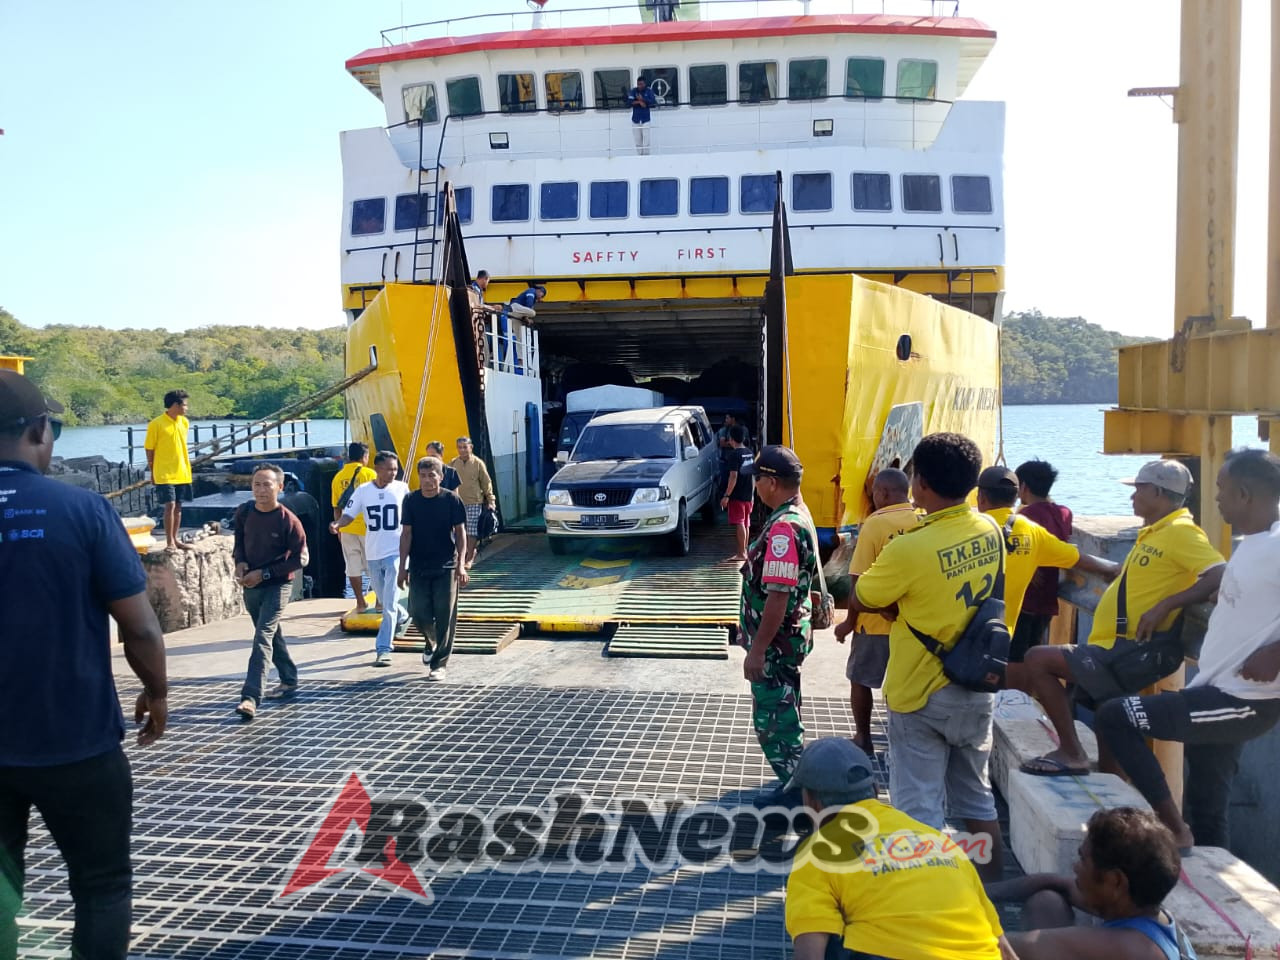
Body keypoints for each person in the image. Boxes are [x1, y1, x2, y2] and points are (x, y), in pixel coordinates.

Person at [0, 370, 168, 959]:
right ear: (40, 431)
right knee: (101, 887)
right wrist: (157, 693)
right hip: (77, 743)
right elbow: (141, 627)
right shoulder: (84, 510)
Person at [1094, 449, 1280, 850]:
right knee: (1208, 804)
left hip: (1244, 699)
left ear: (1244, 494)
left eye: (1222, 489)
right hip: (1216, 689)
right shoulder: (1252, 544)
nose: (1215, 499)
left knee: (1116, 717)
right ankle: (1211, 877)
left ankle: (1170, 829)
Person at [847, 433, 1004, 880]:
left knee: (918, 808)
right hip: (978, 683)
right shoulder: (989, 529)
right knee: (976, 796)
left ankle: (921, 900)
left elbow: (863, 593)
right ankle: (994, 890)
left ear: (922, 484)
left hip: (920, 691)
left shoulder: (909, 547)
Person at [1018, 460, 1225, 777]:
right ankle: (1114, 787)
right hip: (1112, 644)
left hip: (1128, 647)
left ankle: (1071, 752)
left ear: (1157, 492)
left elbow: (1218, 572)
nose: (1132, 497)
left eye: (1138, 490)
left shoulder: (1182, 533)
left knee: (1038, 659)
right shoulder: (1156, 532)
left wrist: (1167, 605)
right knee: (1108, 717)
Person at [784, 738, 1014, 960]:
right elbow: (1002, 945)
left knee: (826, 928)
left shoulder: (818, 851)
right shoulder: (936, 839)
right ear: (875, 790)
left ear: (811, 803)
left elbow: (810, 947)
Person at [987, 807, 1196, 960]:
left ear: (1115, 880)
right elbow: (1054, 882)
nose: (1075, 867)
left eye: (1083, 859)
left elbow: (994, 945)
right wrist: (979, 891)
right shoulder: (1147, 913)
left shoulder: (1127, 948)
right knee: (1047, 901)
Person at [738, 446, 818, 805]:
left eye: (756, 480)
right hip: (786, 640)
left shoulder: (784, 528)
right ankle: (797, 784)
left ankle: (801, 794)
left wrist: (757, 651)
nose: (754, 487)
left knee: (775, 722)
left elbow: (778, 595)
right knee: (786, 709)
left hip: (775, 645)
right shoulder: (798, 513)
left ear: (770, 483)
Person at [976, 466, 1118, 662]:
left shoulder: (1018, 518)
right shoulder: (1058, 515)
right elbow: (1073, 555)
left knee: (1014, 660)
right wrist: (1112, 568)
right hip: (1045, 600)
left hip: (1018, 605)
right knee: (1028, 658)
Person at [833, 468, 919, 757]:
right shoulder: (922, 520)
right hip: (911, 625)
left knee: (861, 679)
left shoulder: (875, 523)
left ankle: (863, 738)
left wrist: (849, 622)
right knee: (905, 689)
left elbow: (858, 578)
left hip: (873, 623)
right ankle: (902, 745)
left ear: (882, 493)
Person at [234, 463, 307, 721]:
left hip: (277, 584)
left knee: (262, 636)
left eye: (267, 484)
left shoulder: (289, 520)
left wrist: (264, 574)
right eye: (257, 484)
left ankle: (251, 697)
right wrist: (240, 564)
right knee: (270, 633)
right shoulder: (244, 512)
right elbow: (239, 544)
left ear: (280, 487)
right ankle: (289, 678)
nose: (261, 490)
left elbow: (300, 559)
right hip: (251, 584)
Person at [330, 451, 410, 667]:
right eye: (389, 469)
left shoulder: (402, 489)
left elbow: (411, 519)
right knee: (384, 600)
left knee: (389, 601)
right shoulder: (364, 491)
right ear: (377, 468)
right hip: (373, 553)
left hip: (395, 552)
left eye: (395, 469)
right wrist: (338, 524)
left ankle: (383, 648)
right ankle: (403, 616)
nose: (393, 473)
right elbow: (349, 513)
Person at [398, 456, 469, 682]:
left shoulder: (451, 500)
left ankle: (439, 664)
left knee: (445, 615)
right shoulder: (410, 500)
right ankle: (431, 642)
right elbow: (406, 534)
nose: (428, 480)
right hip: (419, 565)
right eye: (424, 476)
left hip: (446, 565)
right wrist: (402, 567)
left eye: (432, 475)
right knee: (417, 613)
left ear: (441, 476)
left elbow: (460, 533)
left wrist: (461, 565)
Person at [1014, 459, 1075, 656]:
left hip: (1025, 597)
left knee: (1015, 657)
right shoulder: (1064, 513)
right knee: (1034, 651)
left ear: (1023, 486)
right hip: (1048, 597)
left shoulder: (1025, 516)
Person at [330, 442, 376, 614]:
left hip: (346, 527)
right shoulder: (369, 474)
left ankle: (360, 602)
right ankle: (379, 601)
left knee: (352, 566)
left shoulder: (338, 477)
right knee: (374, 566)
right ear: (364, 456)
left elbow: (336, 507)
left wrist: (339, 530)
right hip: (368, 528)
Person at [144, 388, 192, 551]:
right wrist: (152, 470)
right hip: (164, 472)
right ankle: (169, 541)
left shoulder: (184, 422)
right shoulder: (156, 424)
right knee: (169, 504)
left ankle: (176, 538)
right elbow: (149, 448)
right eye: (184, 405)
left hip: (182, 470)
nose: (186, 408)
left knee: (178, 505)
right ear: (175, 405)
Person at [449, 436, 495, 568]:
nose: (462, 450)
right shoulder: (453, 463)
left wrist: (491, 500)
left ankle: (469, 558)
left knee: (471, 531)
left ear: (471, 447)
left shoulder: (478, 463)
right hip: (457, 502)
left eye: (465, 447)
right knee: (458, 531)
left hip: (474, 502)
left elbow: (486, 483)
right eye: (459, 447)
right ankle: (461, 557)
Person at [718, 424, 754, 562]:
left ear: (731, 439)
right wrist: (753, 494)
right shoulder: (750, 452)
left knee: (739, 522)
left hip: (737, 495)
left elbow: (733, 476)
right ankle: (744, 551)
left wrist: (726, 495)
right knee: (746, 522)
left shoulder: (734, 455)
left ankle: (741, 553)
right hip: (748, 494)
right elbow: (753, 476)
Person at [499, 285, 545, 371]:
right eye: (542, 296)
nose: (540, 299)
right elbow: (528, 304)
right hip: (515, 307)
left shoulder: (533, 296)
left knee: (519, 339)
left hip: (517, 316)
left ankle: (521, 362)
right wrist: (528, 319)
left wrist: (525, 318)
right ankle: (513, 310)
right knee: (533, 313)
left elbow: (526, 308)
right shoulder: (531, 291)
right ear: (540, 291)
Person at [628, 76, 658, 155]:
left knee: (646, 140)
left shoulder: (649, 91)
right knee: (638, 140)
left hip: (645, 119)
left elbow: (653, 102)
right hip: (636, 119)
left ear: (645, 84)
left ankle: (646, 156)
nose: (639, 86)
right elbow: (629, 102)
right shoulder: (634, 91)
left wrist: (642, 99)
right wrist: (640, 102)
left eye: (641, 84)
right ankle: (639, 156)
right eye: (638, 84)